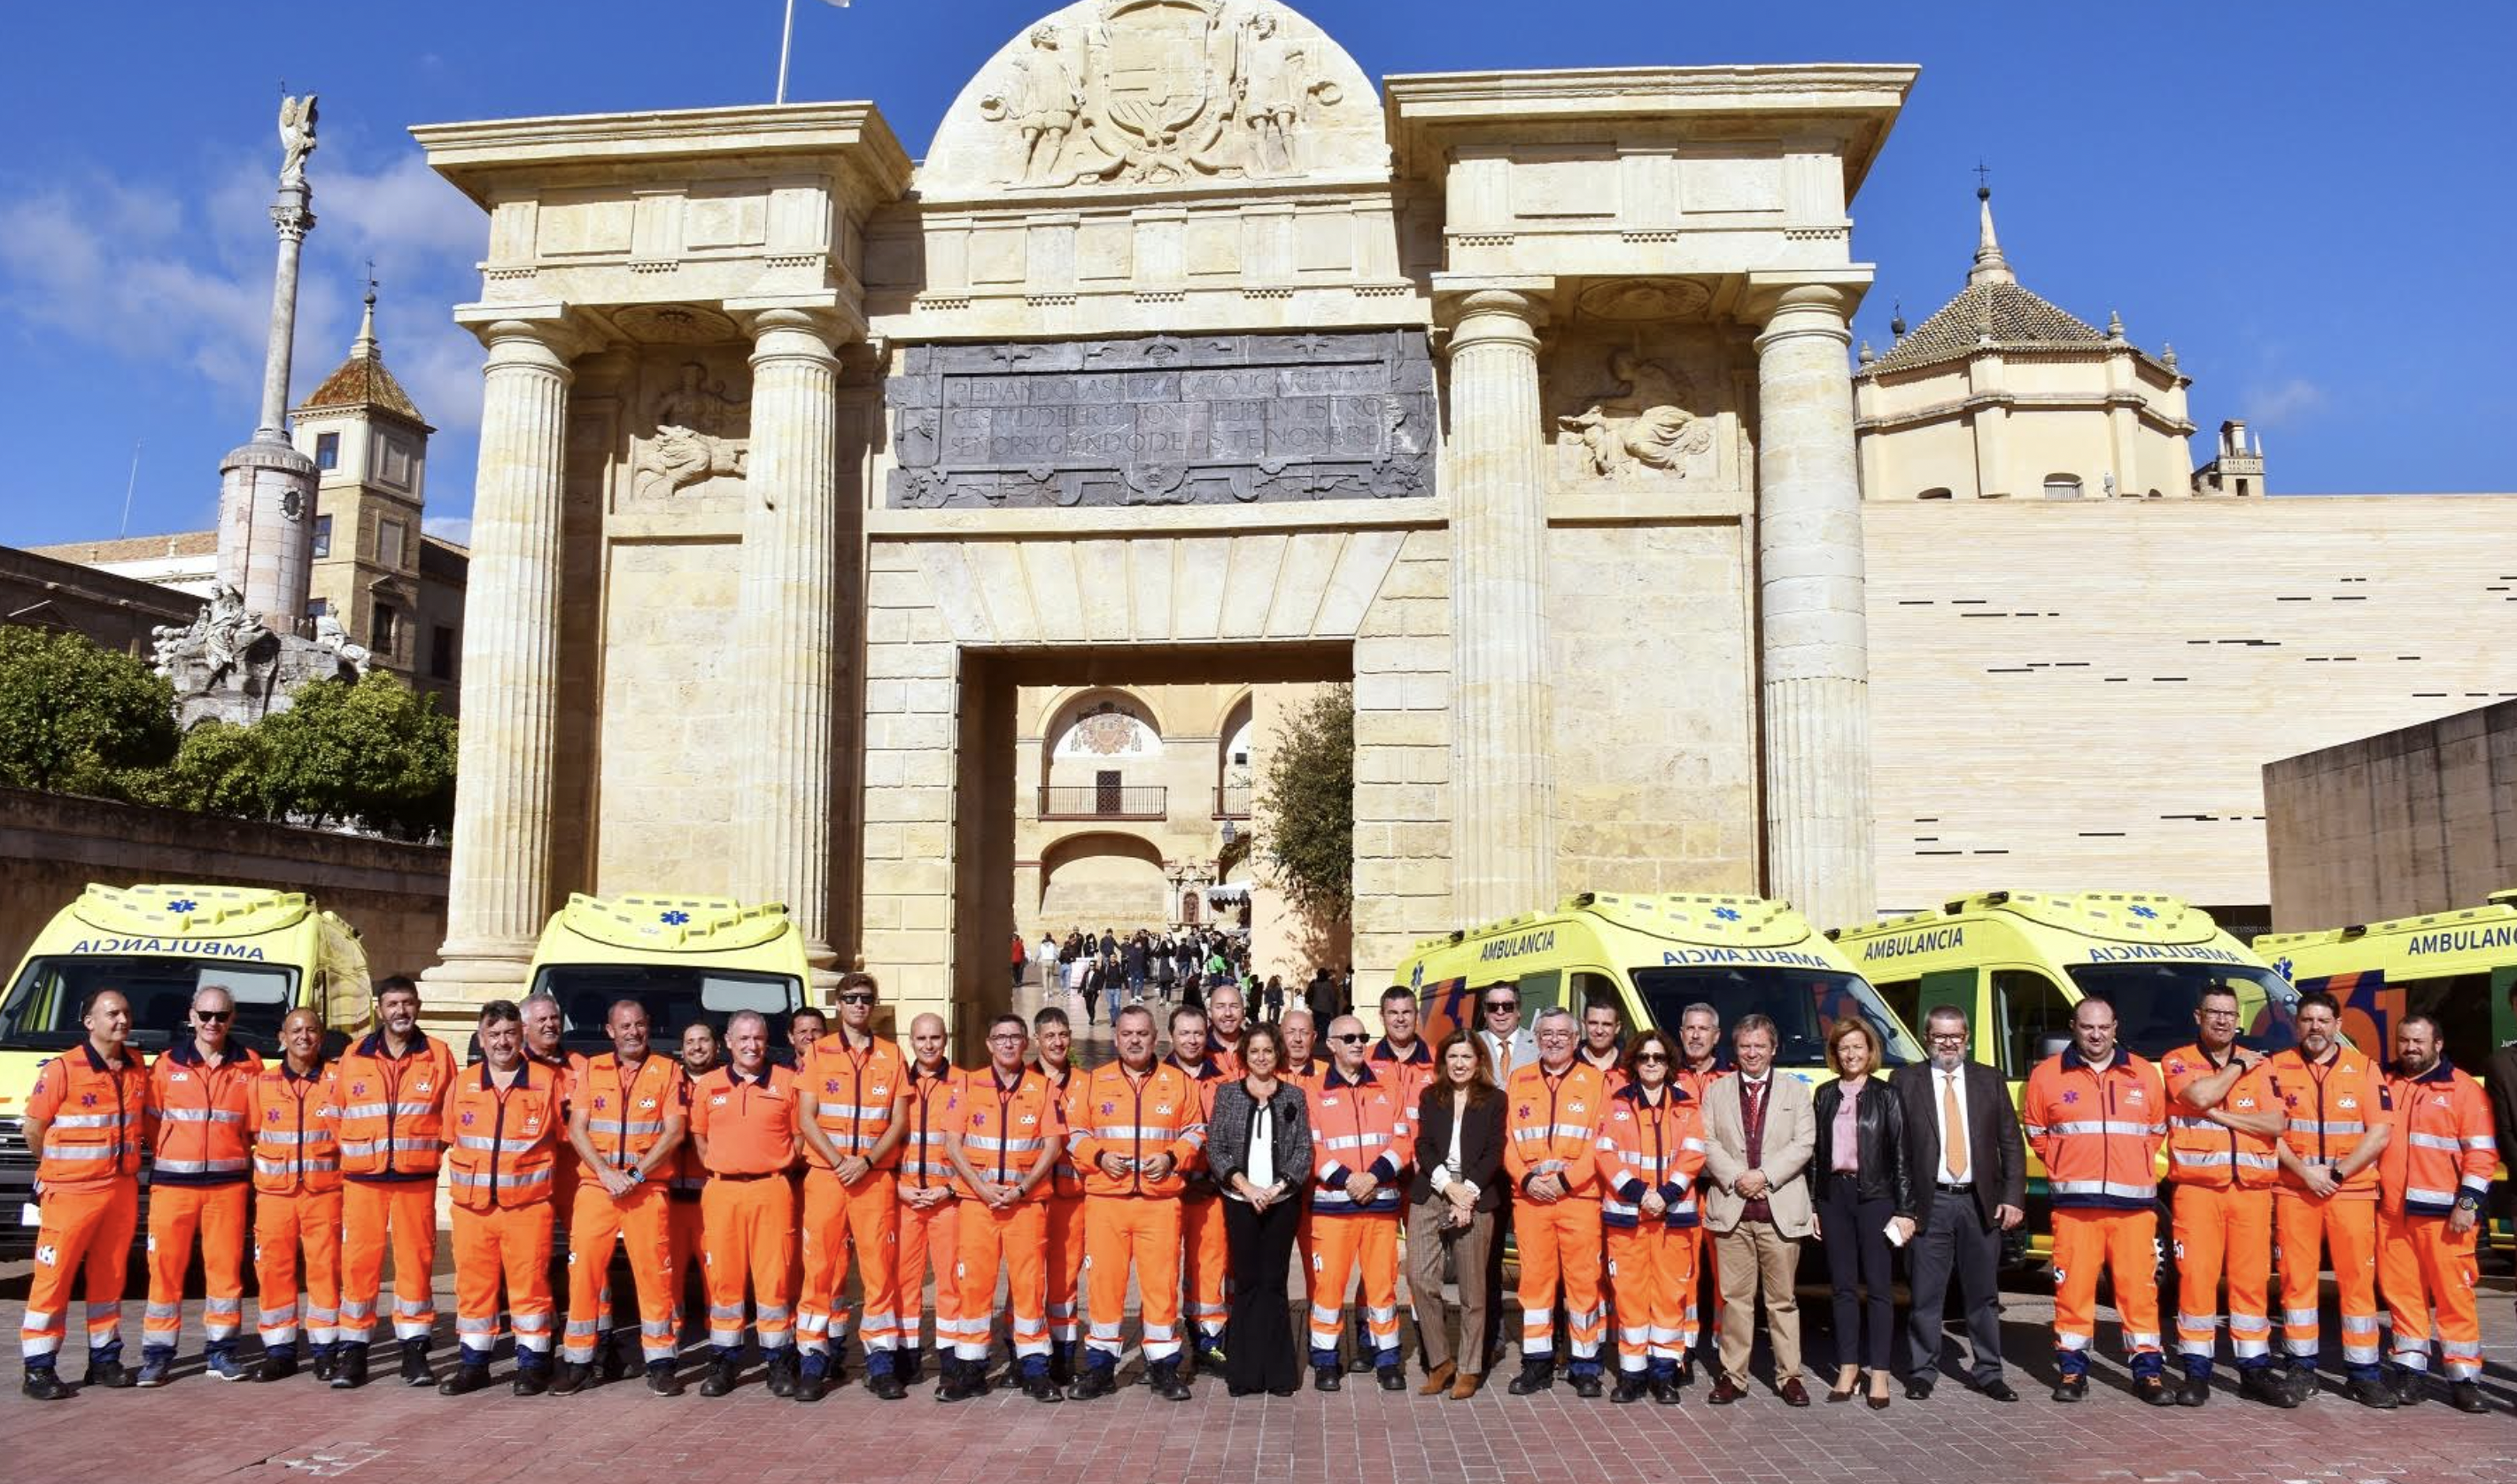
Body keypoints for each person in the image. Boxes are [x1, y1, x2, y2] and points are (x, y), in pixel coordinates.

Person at [2020, 997, 2170, 1404]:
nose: (2096, 1035)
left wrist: (2131, 1167)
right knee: (2074, 1293)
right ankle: (2072, 1371)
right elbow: (2036, 1131)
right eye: (2087, 1027)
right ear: (2074, 1026)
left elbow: (2156, 1130)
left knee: (2139, 1293)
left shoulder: (2143, 1073)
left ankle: (2148, 1373)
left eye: (2103, 1026)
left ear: (2116, 1027)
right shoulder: (2047, 1076)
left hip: (2134, 1210)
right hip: (2075, 1209)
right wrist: (2068, 1164)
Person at [18, 989, 152, 1400]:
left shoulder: (135, 1067)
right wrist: (55, 1171)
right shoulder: (62, 1068)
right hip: (70, 1193)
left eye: (126, 1012)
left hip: (120, 1189)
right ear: (90, 1022)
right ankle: (39, 1368)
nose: (122, 1020)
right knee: (53, 1279)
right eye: (112, 1013)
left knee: (110, 1277)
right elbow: (33, 1128)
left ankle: (105, 1359)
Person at [2157, 986, 2288, 1408]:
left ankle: (2254, 1370)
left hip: (2251, 1190)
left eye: (2230, 1014)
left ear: (2239, 1019)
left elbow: (2276, 1123)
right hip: (2198, 1190)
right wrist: (2234, 1066)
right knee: (2196, 1281)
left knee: (2251, 1285)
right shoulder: (2177, 1060)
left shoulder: (2263, 1065)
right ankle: (2197, 1372)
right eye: (2214, 1013)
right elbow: (2199, 1097)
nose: (2222, 1021)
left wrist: (2222, 1113)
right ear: (2198, 1016)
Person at [1889, 1005, 2025, 1403]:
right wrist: (1903, 1206)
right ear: (1926, 1038)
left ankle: (1989, 1371)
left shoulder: (1989, 1080)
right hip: (1931, 1203)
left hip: (1979, 1204)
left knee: (1983, 1295)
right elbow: (1895, 1149)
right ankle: (1922, 1371)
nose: (1948, 1043)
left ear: (1967, 1038)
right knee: (1926, 1294)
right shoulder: (1905, 1080)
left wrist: (2013, 1198)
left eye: (1956, 1036)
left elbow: (2010, 1144)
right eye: (1939, 1036)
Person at [2265, 990, 2394, 1408]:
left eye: (2323, 1020)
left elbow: (2380, 1132)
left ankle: (2363, 1373)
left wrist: (2336, 1173)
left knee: (2357, 1282)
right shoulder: (2276, 1068)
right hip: (2295, 1190)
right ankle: (2300, 1370)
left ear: (2338, 1025)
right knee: (2296, 1282)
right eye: (2307, 1020)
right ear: (2297, 1024)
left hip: (2351, 1191)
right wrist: (2305, 1173)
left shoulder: (2364, 1069)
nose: (2315, 1028)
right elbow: (2269, 1132)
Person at [329, 974, 457, 1389]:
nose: (401, 1011)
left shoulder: (438, 1055)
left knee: (415, 1266)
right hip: (363, 1180)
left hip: (415, 1180)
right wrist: (355, 1151)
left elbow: (451, 1114)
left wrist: (429, 1152)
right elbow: (336, 1112)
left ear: (417, 1006)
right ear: (379, 1009)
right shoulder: (354, 1055)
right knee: (358, 1266)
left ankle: (414, 1353)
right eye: (393, 1004)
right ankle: (354, 1353)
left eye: (407, 1003)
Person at [1069, 1004, 1203, 1401]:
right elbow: (1075, 1133)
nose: (1134, 1040)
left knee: (1161, 1287)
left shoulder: (1178, 1082)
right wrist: (1098, 1157)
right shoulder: (1094, 1083)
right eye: (1127, 1033)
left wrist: (1171, 1158)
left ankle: (1163, 1367)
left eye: (1142, 1033)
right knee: (1104, 1287)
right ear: (1116, 1038)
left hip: (1160, 1203)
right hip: (1107, 1202)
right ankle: (1100, 1369)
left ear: (1154, 1036)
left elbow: (1196, 1131)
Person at [558, 998, 688, 1397]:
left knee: (654, 1276)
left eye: (639, 1025)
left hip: (646, 1190)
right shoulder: (590, 1070)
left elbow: (674, 1133)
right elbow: (577, 1128)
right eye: (624, 1026)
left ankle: (661, 1363)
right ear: (610, 1031)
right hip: (597, 1189)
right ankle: (579, 1363)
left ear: (648, 1026)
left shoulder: (668, 1070)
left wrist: (632, 1174)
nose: (633, 1032)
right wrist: (605, 1173)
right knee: (583, 1276)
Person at [794, 971, 911, 1402]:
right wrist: (841, 1161)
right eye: (851, 998)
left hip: (873, 1177)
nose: (859, 1005)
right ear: (838, 1004)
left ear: (874, 1005)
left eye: (866, 999)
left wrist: (865, 1161)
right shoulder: (818, 1052)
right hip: (828, 1176)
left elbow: (899, 1121)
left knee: (879, 1271)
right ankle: (813, 1360)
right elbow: (807, 1117)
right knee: (820, 1269)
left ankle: (880, 1363)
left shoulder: (892, 1054)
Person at [438, 1000, 564, 1395]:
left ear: (522, 1036)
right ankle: (473, 1364)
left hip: (528, 1208)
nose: (502, 1042)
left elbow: (569, 1138)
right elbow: (446, 1138)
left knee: (530, 1288)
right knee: (474, 1289)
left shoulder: (548, 1081)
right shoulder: (462, 1083)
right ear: (481, 1038)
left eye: (510, 1033)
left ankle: (533, 1364)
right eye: (493, 1034)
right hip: (474, 1209)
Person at [140, 983, 263, 1383]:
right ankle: (158, 1355)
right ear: (192, 1016)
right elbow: (150, 1123)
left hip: (227, 1187)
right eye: (206, 1015)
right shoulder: (165, 1065)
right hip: (173, 1186)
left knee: (225, 1271)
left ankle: (222, 1352)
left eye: (221, 1015)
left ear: (233, 1018)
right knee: (165, 1270)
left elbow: (254, 1126)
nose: (213, 1023)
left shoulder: (250, 1065)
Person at [940, 1014, 1064, 1403]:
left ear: (1025, 1044)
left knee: (1029, 1287)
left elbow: (1052, 1146)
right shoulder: (966, 1083)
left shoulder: (1042, 1087)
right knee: (974, 1286)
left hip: (1026, 1204)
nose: (1008, 1044)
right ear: (989, 1044)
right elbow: (952, 1143)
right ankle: (970, 1370)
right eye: (1000, 1037)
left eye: (1015, 1037)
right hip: (979, 1204)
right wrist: (980, 1188)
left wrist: (1023, 1188)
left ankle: (1034, 1370)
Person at [2376, 1013, 2494, 1411]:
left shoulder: (2462, 1090)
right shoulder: (2384, 1082)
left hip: (2447, 1218)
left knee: (2454, 1299)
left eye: (2418, 1042)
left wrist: (2467, 1203)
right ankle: (2410, 1374)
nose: (2409, 1049)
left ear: (2437, 1044)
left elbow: (2481, 1155)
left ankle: (2464, 1379)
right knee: (2402, 1298)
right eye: (2404, 1041)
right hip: (2393, 1215)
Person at [1701, 1013, 1816, 1406]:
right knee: (1735, 1301)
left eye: (1760, 1046)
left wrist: (1764, 1176)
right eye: (1745, 1046)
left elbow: (1804, 1144)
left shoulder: (1795, 1091)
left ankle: (1790, 1377)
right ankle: (1733, 1376)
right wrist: (1738, 1178)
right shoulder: (1716, 1092)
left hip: (1779, 1212)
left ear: (1773, 1048)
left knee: (1782, 1301)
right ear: (1736, 1049)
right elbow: (1707, 1142)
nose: (1752, 1053)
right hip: (1732, 1211)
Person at [688, 1010, 802, 1397]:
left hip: (771, 1190)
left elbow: (801, 1137)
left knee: (774, 1281)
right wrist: (727, 1166)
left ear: (766, 1041)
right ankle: (723, 1363)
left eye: (758, 1038)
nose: (752, 1046)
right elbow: (700, 1138)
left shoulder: (787, 1082)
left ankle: (779, 1364)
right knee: (725, 1281)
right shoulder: (709, 1084)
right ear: (729, 1043)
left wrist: (772, 1165)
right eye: (744, 1039)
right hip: (722, 1192)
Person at [1503, 1006, 1611, 1395]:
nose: (1553, 1040)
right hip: (1530, 1200)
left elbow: (1602, 1144)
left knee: (1584, 1284)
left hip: (1579, 1199)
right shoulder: (1519, 1079)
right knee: (1535, 1285)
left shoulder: (1596, 1081)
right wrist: (1528, 1178)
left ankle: (1585, 1366)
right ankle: (1537, 1364)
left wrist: (1565, 1181)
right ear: (1536, 1039)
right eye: (1546, 1033)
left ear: (1576, 1039)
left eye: (1562, 1034)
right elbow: (1507, 1141)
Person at [1305, 1014, 1413, 1392]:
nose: (1357, 1043)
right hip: (1334, 1207)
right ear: (1330, 1045)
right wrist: (1348, 1179)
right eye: (1348, 1037)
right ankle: (1325, 1361)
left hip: (1380, 1205)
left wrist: (1374, 1176)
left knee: (1382, 1288)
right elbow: (1311, 1147)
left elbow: (1403, 1142)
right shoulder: (1312, 1091)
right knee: (1328, 1288)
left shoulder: (1388, 1087)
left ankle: (1387, 1359)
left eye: (1363, 1037)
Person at [1598, 1028, 1707, 1405]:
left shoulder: (1686, 1106)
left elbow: (1693, 1155)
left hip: (1672, 1218)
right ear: (1633, 1062)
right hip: (1628, 1217)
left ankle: (1664, 1375)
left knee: (1669, 1297)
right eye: (1644, 1058)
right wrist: (1640, 1193)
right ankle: (1631, 1375)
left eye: (1658, 1058)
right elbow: (1605, 1155)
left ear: (1669, 1063)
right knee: (1629, 1298)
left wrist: (1666, 1194)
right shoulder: (1615, 1105)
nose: (1651, 1064)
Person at [1809, 1017, 1914, 1409]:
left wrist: (1906, 1210)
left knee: (1880, 1288)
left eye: (1858, 1047)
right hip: (1834, 1198)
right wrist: (1814, 1204)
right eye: (1843, 1048)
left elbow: (1902, 1155)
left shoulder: (1887, 1095)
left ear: (1871, 1051)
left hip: (1876, 1198)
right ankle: (1849, 1367)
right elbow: (1817, 1157)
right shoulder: (1824, 1096)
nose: (1851, 1054)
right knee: (1842, 1288)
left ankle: (1881, 1373)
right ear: (1834, 1054)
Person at [1209, 1024, 1312, 1397]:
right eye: (1254, 1051)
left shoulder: (1295, 1097)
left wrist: (1277, 1187)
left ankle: (1279, 1373)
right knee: (1247, 1283)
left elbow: (1303, 1151)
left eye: (1268, 1050)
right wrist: (1246, 1186)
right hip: (1241, 1202)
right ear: (1244, 1056)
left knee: (1274, 1283)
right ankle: (1245, 1373)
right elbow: (1216, 1148)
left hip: (1281, 1203)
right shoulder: (1228, 1095)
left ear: (1278, 1054)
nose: (1262, 1057)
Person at [247, 1008, 343, 1383]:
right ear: (282, 1038)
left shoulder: (337, 1081)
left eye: (312, 1030)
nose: (304, 1037)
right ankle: (279, 1351)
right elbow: (251, 1134)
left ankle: (325, 1350)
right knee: (273, 1272)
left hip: (324, 1193)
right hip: (275, 1197)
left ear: (321, 1036)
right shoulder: (261, 1085)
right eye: (296, 1030)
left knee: (325, 1271)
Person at [1406, 1030, 1503, 1400]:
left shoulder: (1496, 1100)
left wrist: (1467, 1196)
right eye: (1453, 1057)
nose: (1460, 1064)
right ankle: (1440, 1360)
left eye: (1467, 1057)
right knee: (1419, 1279)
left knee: (1472, 1289)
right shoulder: (1432, 1097)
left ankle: (1469, 1367)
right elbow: (1424, 1145)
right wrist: (1449, 1187)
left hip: (1477, 1191)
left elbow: (1494, 1151)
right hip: (1432, 1188)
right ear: (1443, 1062)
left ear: (1479, 1061)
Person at [894, 1013, 966, 1390]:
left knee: (950, 1281)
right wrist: (896, 1187)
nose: (928, 1045)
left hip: (947, 1200)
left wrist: (951, 1188)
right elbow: (882, 1137)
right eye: (921, 1038)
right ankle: (906, 1354)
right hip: (905, 1198)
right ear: (911, 1040)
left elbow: (974, 1145)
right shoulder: (895, 1082)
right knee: (904, 1281)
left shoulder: (964, 1084)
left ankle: (950, 1356)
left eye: (935, 1037)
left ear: (945, 1039)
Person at [1166, 1006, 1231, 1370]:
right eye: (1184, 1033)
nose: (1192, 1040)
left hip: (1211, 1190)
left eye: (1197, 1033)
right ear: (1172, 1036)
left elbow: (1232, 1138)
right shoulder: (1156, 1078)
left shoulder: (1223, 1081)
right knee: (1161, 1270)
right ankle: (1159, 1347)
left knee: (1208, 1267)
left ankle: (1207, 1345)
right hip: (1166, 1192)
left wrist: (1211, 1180)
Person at [1030, 1007, 1088, 1384]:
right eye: (1049, 1035)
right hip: (1030, 1197)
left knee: (1065, 1280)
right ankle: (1027, 1354)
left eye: (1063, 1034)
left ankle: (1063, 1356)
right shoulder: (1020, 1081)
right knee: (1029, 1278)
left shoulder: (1087, 1082)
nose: (1057, 1042)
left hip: (1071, 1197)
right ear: (1037, 1040)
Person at [1673, 1001, 1727, 1380]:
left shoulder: (1732, 1077)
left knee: (1727, 1277)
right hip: (1683, 1190)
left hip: (1723, 1189)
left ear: (1716, 1036)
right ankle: (1682, 1350)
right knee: (1683, 1273)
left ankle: (1727, 1351)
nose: (1696, 1035)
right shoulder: (1667, 1076)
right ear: (1681, 1034)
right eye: (1690, 1028)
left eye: (1703, 1029)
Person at [670, 1022, 719, 1340]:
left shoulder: (726, 1083)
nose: (697, 1047)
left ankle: (721, 1345)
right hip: (669, 1198)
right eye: (690, 1041)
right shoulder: (668, 1081)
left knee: (718, 1278)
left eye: (703, 1040)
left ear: (716, 1046)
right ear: (682, 1047)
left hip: (711, 1198)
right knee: (666, 1279)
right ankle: (666, 1348)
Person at [1370, 986, 1435, 1109]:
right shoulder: (1364, 1061)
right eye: (1393, 1013)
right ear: (1381, 1016)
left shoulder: (1439, 1060)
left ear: (1417, 1015)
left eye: (1406, 1012)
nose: (1400, 1019)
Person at [1476, 983, 1537, 1085]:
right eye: (1493, 1007)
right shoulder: (1472, 1044)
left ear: (1518, 1011)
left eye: (1507, 1006)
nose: (1500, 1012)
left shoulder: (1539, 1043)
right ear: (1485, 1012)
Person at [1579, 999, 1628, 1089]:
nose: (1599, 1031)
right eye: (1593, 1023)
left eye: (1606, 1024)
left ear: (1617, 1028)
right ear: (1583, 1024)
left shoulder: (1630, 1063)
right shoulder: (1569, 1061)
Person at [1206, 982, 1247, 1075]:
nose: (1228, 1013)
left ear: (1243, 1011)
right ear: (1209, 1012)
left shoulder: (1256, 1047)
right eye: (1220, 1007)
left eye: (1234, 1006)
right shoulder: (1198, 1050)